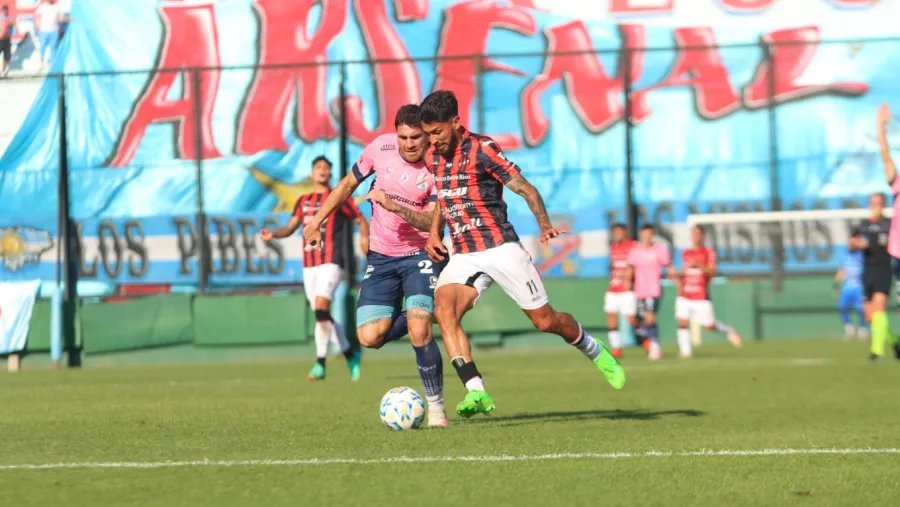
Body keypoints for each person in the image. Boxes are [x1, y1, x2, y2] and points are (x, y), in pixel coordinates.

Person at [420, 89, 625, 418]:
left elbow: (526, 188)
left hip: (500, 248)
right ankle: (476, 391)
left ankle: (592, 346)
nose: (433, 140)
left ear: (455, 122)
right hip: (464, 254)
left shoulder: (483, 149)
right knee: (444, 310)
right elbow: (445, 198)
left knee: (546, 322)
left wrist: (544, 225)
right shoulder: (433, 157)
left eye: (437, 132)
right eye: (428, 134)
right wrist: (434, 233)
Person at [301, 105, 449, 427]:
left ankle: (437, 409)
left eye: (416, 138)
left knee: (419, 330)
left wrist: (394, 206)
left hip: (421, 254)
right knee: (370, 337)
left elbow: (434, 222)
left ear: (426, 136)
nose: (409, 144)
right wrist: (316, 221)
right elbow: (346, 185)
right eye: (403, 138)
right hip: (382, 257)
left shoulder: (437, 164)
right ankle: (428, 311)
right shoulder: (380, 148)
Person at [260, 156, 368, 380]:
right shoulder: (303, 201)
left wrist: (364, 237)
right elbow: (290, 227)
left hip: (331, 261)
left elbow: (359, 219)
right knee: (322, 314)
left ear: (330, 174)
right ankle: (350, 354)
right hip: (309, 265)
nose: (322, 171)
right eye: (318, 168)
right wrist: (273, 234)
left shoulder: (337, 197)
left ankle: (320, 363)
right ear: (312, 173)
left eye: (326, 168)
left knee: (321, 306)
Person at [674, 226, 742, 358]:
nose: (695, 236)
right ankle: (685, 352)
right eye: (693, 233)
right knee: (682, 321)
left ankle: (727, 331)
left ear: (702, 236)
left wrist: (698, 265)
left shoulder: (708, 252)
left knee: (710, 326)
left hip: (701, 296)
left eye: (698, 234)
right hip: (685, 295)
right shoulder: (685, 253)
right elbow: (681, 273)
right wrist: (681, 276)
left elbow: (713, 271)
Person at [850, 192, 898, 361]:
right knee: (870, 316)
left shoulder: (890, 225)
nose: (875, 207)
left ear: (883, 206)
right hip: (867, 271)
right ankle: (896, 342)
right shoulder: (862, 226)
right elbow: (851, 246)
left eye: (878, 203)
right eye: (872, 203)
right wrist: (856, 244)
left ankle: (877, 352)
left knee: (879, 307)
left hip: (883, 269)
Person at [627, 224, 673, 360]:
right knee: (635, 319)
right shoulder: (635, 250)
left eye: (649, 234)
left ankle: (655, 348)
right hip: (639, 290)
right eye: (645, 234)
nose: (647, 236)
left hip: (654, 289)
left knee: (650, 318)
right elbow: (630, 268)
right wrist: (627, 282)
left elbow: (668, 265)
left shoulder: (659, 249)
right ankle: (651, 342)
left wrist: (673, 276)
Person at [604, 223, 639, 358]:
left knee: (631, 318)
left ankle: (647, 340)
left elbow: (635, 266)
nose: (618, 235)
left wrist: (630, 280)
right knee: (611, 316)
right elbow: (612, 266)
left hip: (627, 289)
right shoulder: (613, 247)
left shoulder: (633, 246)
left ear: (625, 233)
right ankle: (616, 348)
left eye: (620, 232)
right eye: (616, 232)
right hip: (613, 288)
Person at [833, 248, 868, 340]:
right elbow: (841, 271)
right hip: (847, 288)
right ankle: (849, 329)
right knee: (842, 307)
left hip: (859, 287)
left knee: (861, 309)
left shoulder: (862, 255)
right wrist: (836, 286)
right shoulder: (845, 256)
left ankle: (862, 328)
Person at [34, 0, 62, 70]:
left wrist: (70, 20)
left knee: (53, 47)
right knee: (42, 46)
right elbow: (37, 16)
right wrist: (38, 26)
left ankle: (52, 63)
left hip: (54, 30)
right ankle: (41, 62)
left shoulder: (57, 7)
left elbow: (60, 18)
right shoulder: (42, 6)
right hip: (44, 30)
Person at [0, 5, 11, 77]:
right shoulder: (0, 17)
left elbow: (13, 23)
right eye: (4, 10)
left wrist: (8, 21)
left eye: (6, 10)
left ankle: (3, 71)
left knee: (7, 55)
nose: (5, 11)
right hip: (0, 39)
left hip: (7, 39)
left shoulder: (9, 17)